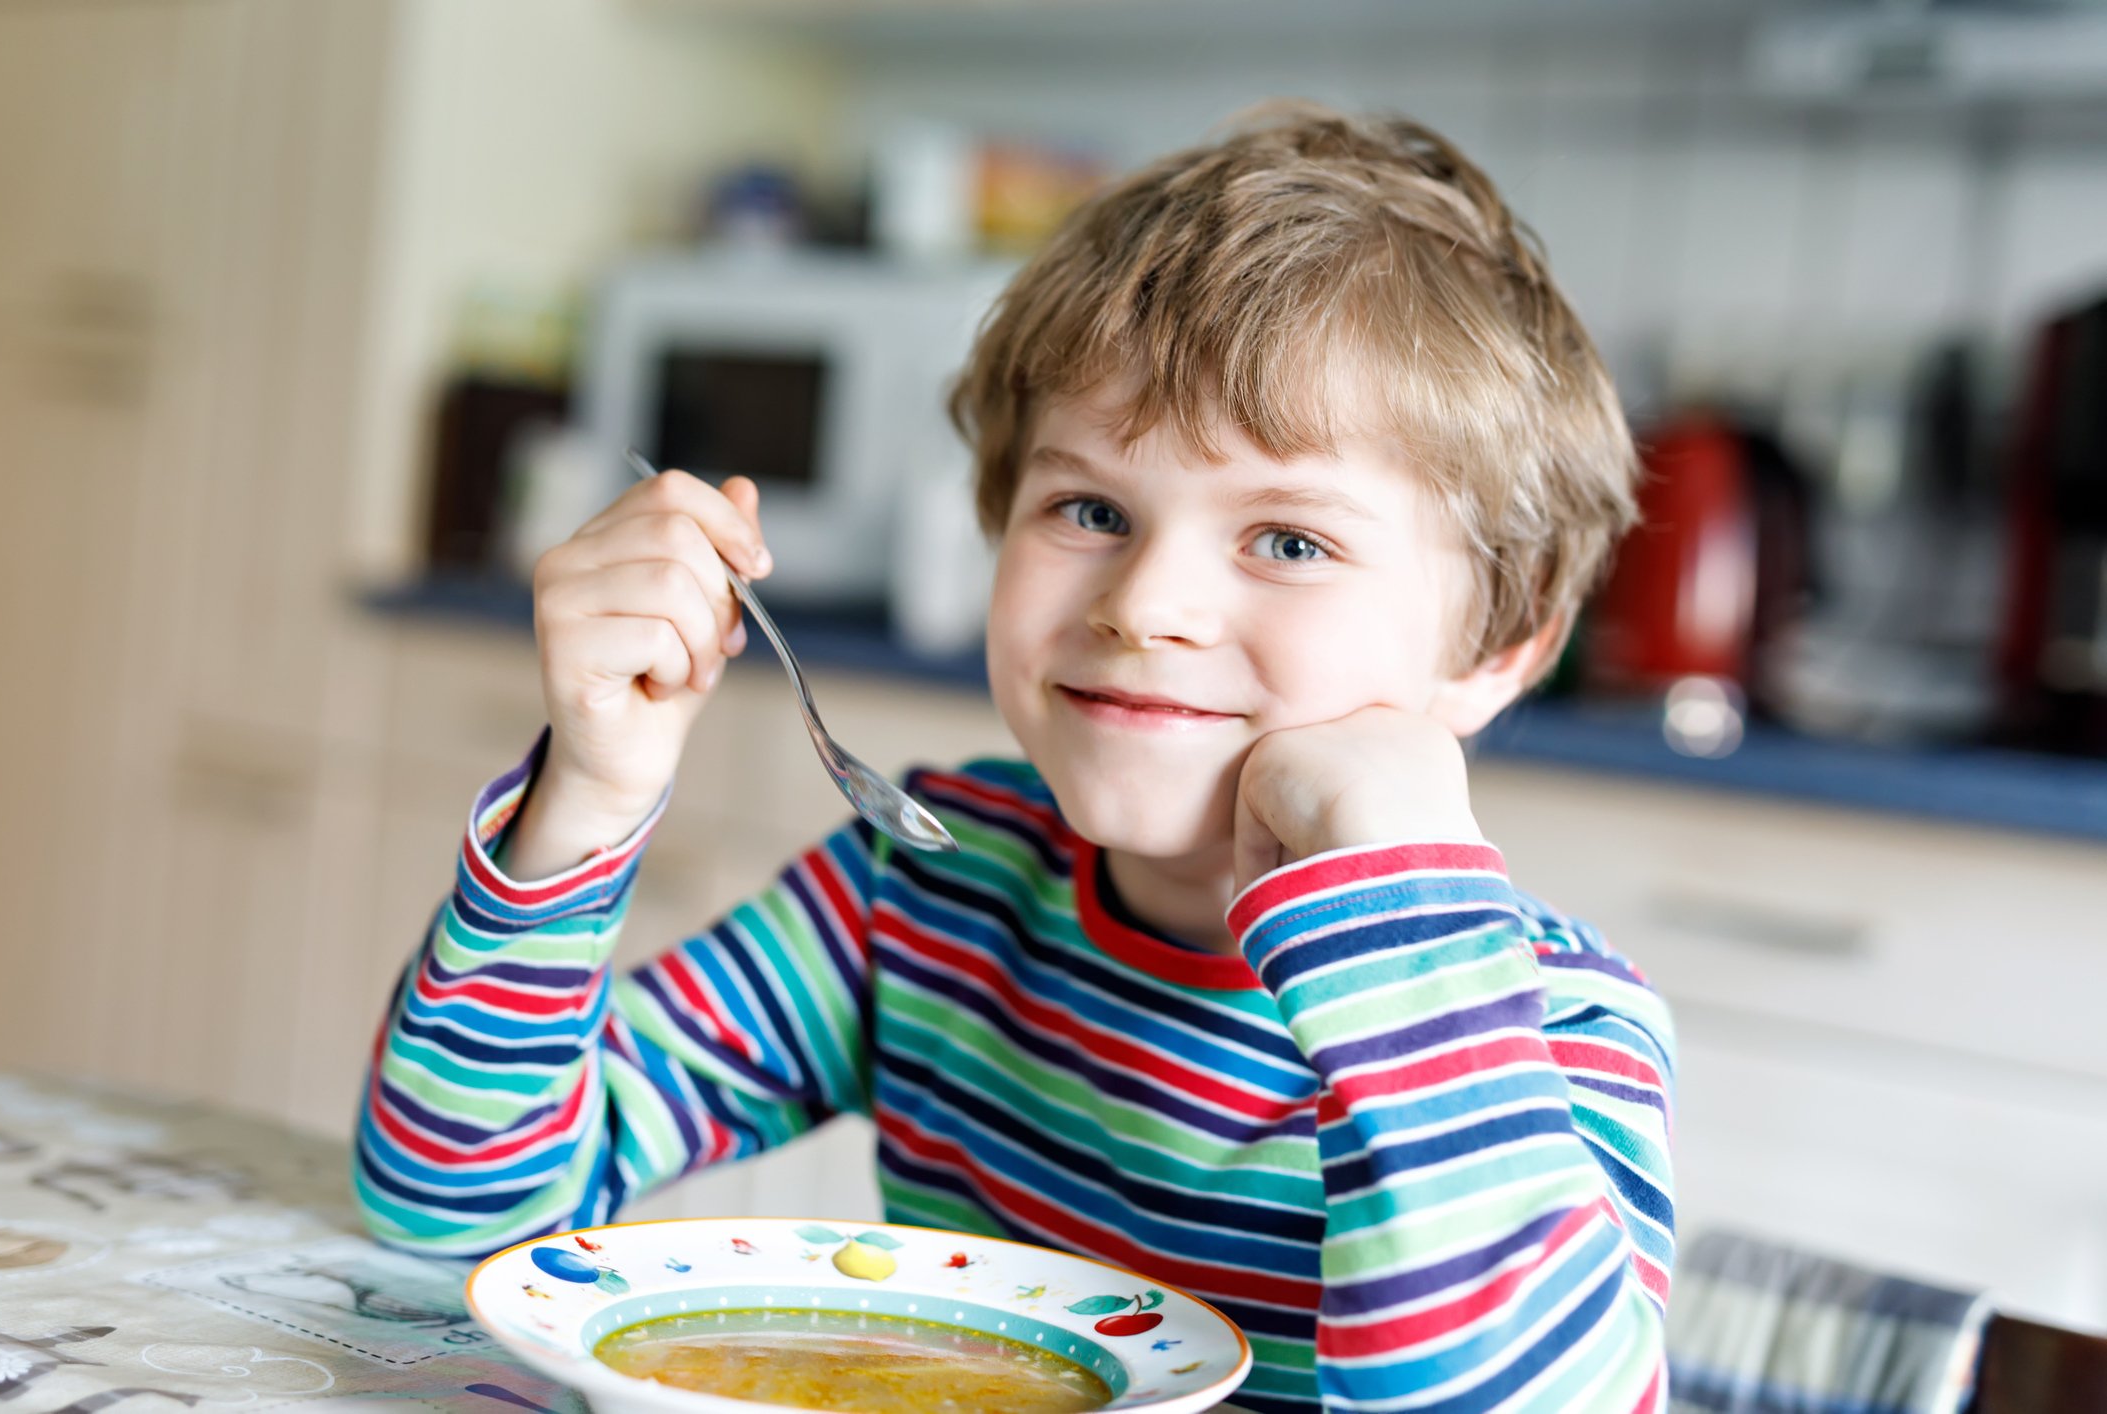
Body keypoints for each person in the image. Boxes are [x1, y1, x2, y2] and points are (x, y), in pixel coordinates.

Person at [354, 103, 1674, 1412]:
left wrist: (1396, 923)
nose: (1144, 603)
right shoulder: (927, 887)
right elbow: (451, 1199)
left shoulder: (1548, 1031)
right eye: (1090, 509)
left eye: (1287, 540)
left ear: (1501, 640)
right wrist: (593, 784)